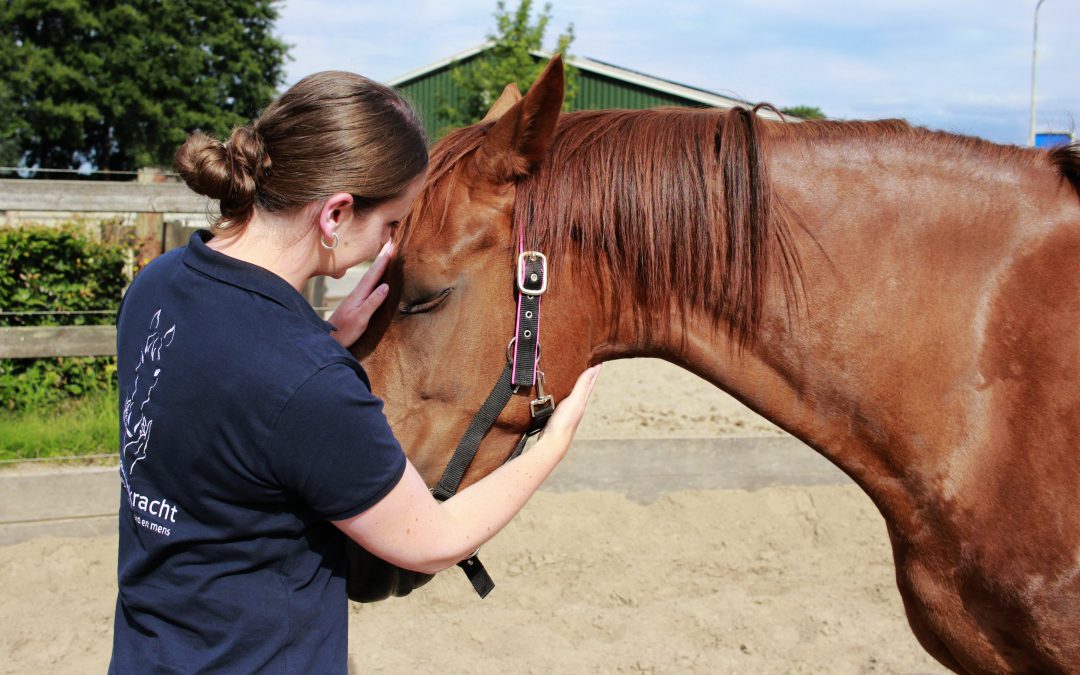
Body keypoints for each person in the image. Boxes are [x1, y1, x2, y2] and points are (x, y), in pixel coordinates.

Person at [109, 70, 600, 674]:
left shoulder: (156, 285)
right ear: (336, 213)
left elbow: (223, 401)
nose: (386, 246)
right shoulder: (307, 382)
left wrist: (322, 337)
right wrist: (550, 446)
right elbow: (434, 540)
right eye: (392, 224)